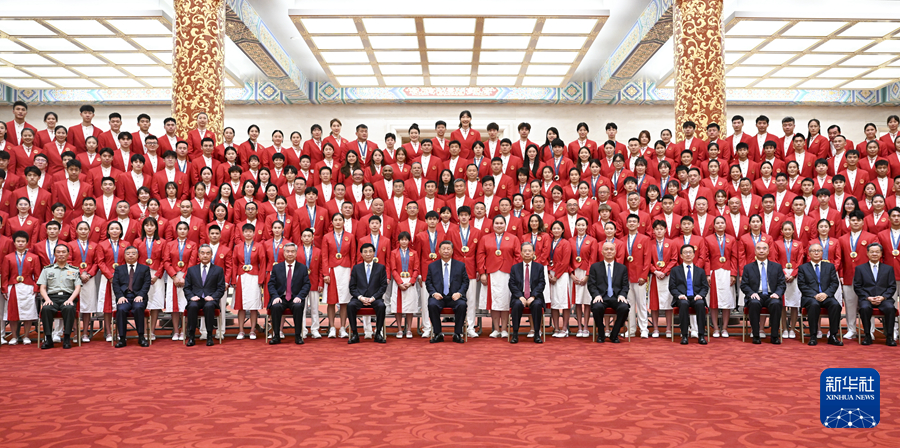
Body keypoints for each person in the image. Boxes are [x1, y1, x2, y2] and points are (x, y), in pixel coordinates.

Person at [740, 241, 787, 344]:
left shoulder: (777, 267)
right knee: (754, 303)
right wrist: (751, 293)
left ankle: (774, 335)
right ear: (755, 251)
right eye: (759, 248)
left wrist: (777, 294)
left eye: (764, 248)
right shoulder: (748, 267)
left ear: (768, 251)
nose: (761, 250)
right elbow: (744, 285)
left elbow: (782, 284)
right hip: (756, 295)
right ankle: (756, 335)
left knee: (776, 304)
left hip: (772, 295)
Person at [797, 244, 843, 346]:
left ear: (822, 253)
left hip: (827, 296)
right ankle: (813, 336)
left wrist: (826, 294)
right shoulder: (803, 268)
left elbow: (834, 283)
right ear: (809, 254)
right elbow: (802, 285)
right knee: (814, 305)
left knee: (835, 305)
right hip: (810, 297)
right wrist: (815, 295)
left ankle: (833, 335)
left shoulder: (830, 266)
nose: (816, 253)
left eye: (818, 250)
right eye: (813, 251)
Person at [37, 244, 82, 349]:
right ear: (54, 254)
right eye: (58, 252)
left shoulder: (74, 270)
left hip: (68, 297)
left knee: (69, 308)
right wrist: (47, 300)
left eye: (63, 252)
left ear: (68, 254)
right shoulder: (47, 269)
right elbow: (42, 288)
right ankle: (48, 339)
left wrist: (70, 299)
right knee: (46, 309)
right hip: (52, 298)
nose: (61, 254)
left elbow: (78, 288)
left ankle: (66, 338)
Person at [267, 243, 312, 345]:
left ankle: (298, 336)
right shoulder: (277, 268)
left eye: (292, 251)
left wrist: (300, 296)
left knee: (297, 306)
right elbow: (271, 284)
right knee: (276, 306)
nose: (290, 254)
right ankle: (276, 336)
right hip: (281, 297)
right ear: (284, 253)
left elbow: (306, 285)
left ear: (296, 253)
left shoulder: (302, 268)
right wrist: (275, 296)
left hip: (295, 297)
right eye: (288, 251)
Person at [424, 241, 469, 343]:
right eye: (443, 248)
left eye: (448, 249)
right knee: (432, 304)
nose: (446, 251)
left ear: (452, 251)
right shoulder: (432, 266)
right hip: (438, 297)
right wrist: (434, 293)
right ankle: (438, 333)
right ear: (439, 251)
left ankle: (457, 334)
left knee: (462, 305)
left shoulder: (460, 265)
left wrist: (459, 293)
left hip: (454, 297)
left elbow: (465, 282)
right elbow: (428, 282)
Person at [182, 245, 227, 347]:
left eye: (207, 253)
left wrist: (213, 297)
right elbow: (187, 288)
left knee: (209, 306)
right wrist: (191, 297)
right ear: (198, 255)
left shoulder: (218, 270)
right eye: (202, 253)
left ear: (211, 255)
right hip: (196, 298)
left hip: (210, 299)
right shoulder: (191, 270)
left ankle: (210, 336)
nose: (205, 255)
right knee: (192, 306)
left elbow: (221, 288)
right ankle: (192, 336)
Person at [853, 243, 897, 346]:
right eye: (872, 252)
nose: (874, 254)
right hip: (867, 299)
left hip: (883, 299)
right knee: (864, 308)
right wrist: (868, 297)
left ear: (881, 253)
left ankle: (889, 336)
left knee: (890, 308)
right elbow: (857, 286)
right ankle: (867, 335)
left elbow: (892, 286)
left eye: (877, 252)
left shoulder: (888, 269)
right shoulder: (860, 268)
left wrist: (883, 297)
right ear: (867, 253)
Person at [587, 242, 630, 343]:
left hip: (616, 297)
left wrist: (622, 295)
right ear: (602, 252)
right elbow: (591, 284)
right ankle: (601, 334)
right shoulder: (595, 267)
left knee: (624, 308)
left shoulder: (622, 268)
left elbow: (625, 285)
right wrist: (596, 295)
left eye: (611, 249)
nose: (609, 251)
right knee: (597, 307)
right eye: (606, 249)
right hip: (601, 297)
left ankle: (614, 335)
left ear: (615, 252)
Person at [667, 245, 709, 345]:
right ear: (681, 255)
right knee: (684, 304)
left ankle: (701, 335)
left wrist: (701, 295)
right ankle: (684, 335)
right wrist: (679, 295)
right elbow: (672, 287)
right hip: (682, 297)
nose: (688, 254)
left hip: (696, 297)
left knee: (700, 303)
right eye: (685, 252)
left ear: (694, 255)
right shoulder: (675, 270)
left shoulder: (700, 271)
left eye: (690, 252)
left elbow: (705, 287)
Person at [346, 243, 388, 344]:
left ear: (374, 253)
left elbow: (383, 287)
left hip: (375, 299)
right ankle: (355, 334)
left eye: (370, 251)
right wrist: (361, 298)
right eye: (365, 252)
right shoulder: (356, 268)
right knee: (350, 305)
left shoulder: (381, 268)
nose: (368, 254)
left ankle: (378, 333)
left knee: (381, 306)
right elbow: (352, 287)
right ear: (361, 254)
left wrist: (373, 298)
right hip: (360, 299)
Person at [111, 247, 151, 348]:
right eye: (128, 253)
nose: (131, 255)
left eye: (133, 253)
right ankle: (122, 338)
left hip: (139, 296)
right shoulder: (119, 269)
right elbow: (115, 284)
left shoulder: (144, 268)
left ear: (137, 255)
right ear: (124, 256)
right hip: (124, 297)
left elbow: (146, 284)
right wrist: (120, 296)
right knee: (121, 309)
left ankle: (141, 337)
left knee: (138, 307)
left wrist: (141, 295)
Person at [508, 242, 546, 344]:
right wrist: (520, 297)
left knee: (537, 305)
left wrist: (533, 296)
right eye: (525, 251)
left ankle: (537, 334)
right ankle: (515, 334)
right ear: (521, 253)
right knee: (516, 305)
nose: (527, 253)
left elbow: (541, 284)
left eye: (530, 251)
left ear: (533, 253)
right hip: (519, 296)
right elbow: (512, 284)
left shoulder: (539, 267)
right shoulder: (515, 268)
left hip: (534, 296)